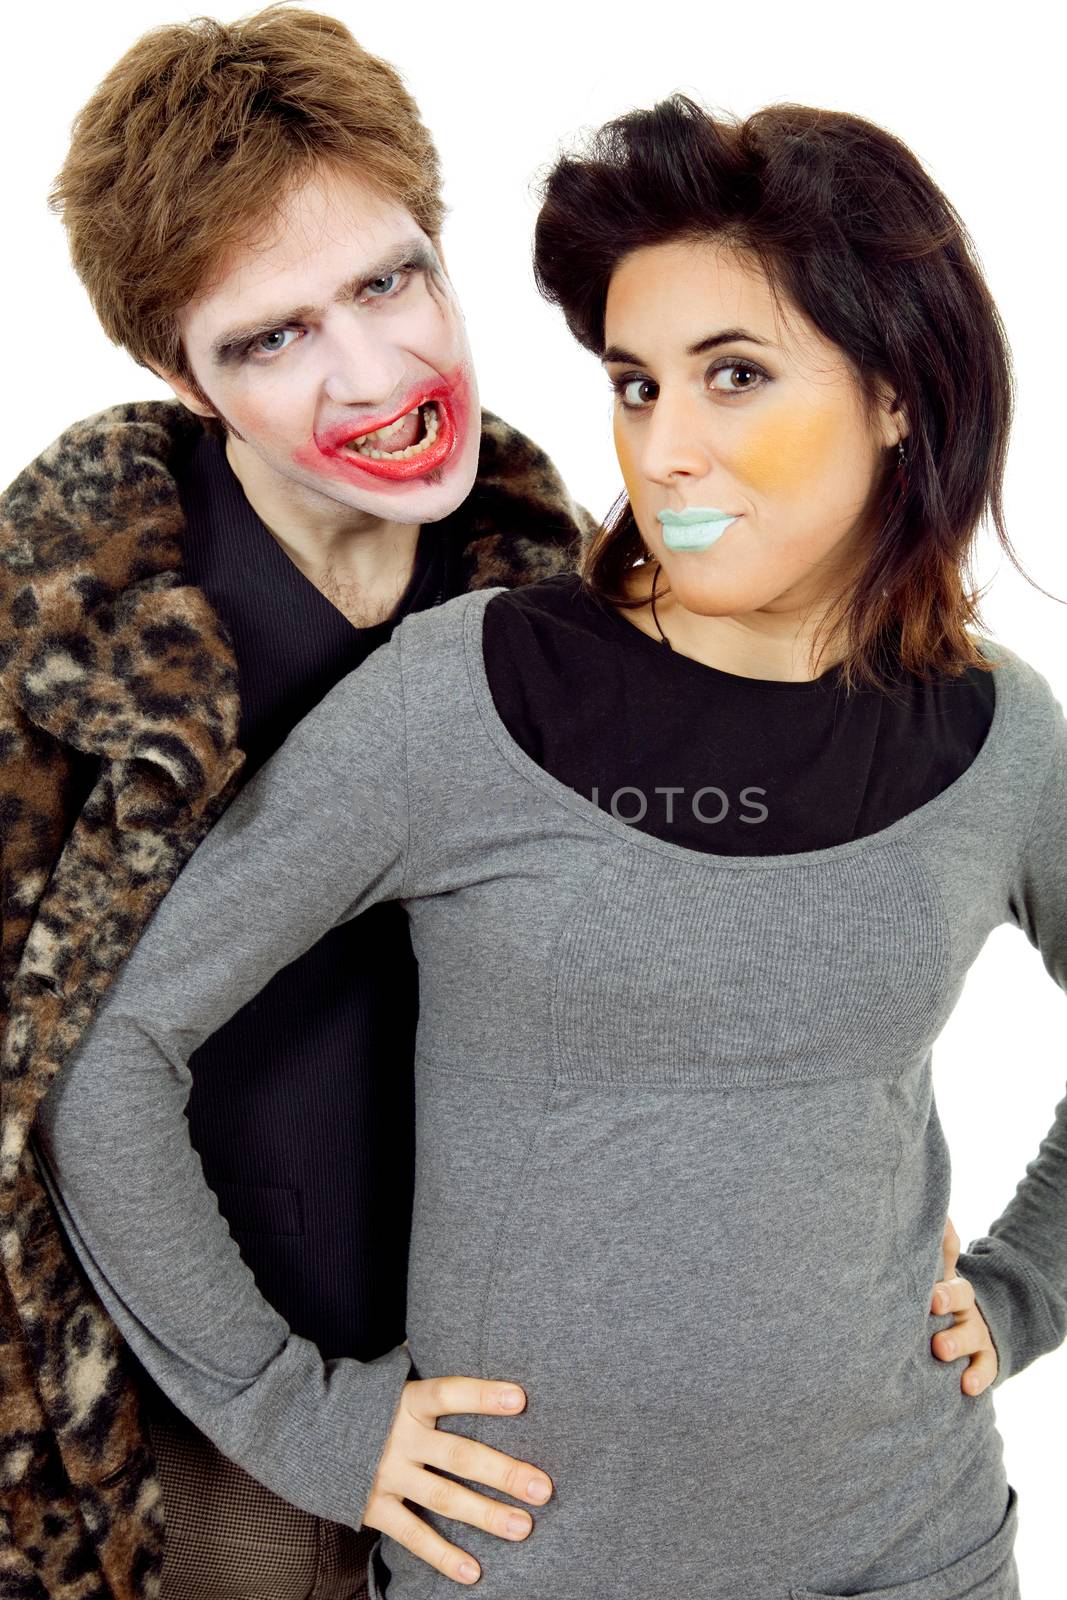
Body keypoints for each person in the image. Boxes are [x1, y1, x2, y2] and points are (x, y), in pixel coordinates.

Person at [32, 92, 1065, 1600]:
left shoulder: (999, 732)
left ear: (900, 395)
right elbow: (110, 1055)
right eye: (639, 387)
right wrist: (299, 1419)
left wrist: (1024, 1291)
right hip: (527, 1571)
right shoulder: (469, 693)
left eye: (734, 376)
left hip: (915, 1553)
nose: (671, 450)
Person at [0, 7, 593, 1597]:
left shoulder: (555, 591)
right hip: (171, 1430)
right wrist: (299, 1422)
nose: (379, 374)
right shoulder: (60, 634)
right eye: (274, 337)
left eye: (390, 280)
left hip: (499, 1404)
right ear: (173, 373)